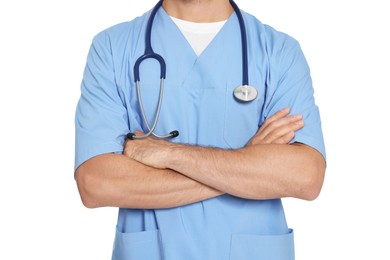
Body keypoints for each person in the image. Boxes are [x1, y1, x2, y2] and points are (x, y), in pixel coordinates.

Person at [74, 0, 326, 259]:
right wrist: (246, 164)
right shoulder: (113, 48)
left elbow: (305, 177)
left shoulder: (279, 52)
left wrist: (169, 154)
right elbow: (96, 184)